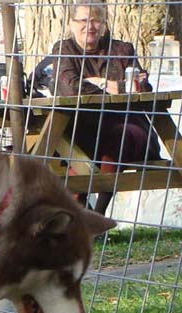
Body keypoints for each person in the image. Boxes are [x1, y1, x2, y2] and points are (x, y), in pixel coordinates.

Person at [51, 0, 160, 214]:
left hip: (127, 126)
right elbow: (70, 88)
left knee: (119, 135)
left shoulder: (122, 50)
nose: (89, 26)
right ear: (71, 24)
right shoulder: (64, 49)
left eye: (95, 21)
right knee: (78, 148)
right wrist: (109, 85)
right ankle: (80, 217)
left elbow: (141, 86)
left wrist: (94, 81)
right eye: (83, 20)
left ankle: (97, 214)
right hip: (82, 128)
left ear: (104, 25)